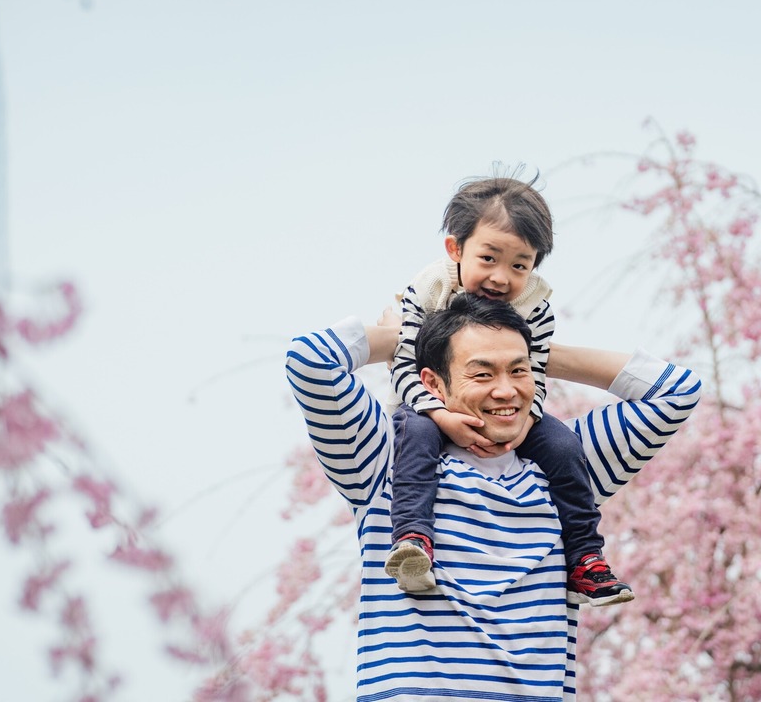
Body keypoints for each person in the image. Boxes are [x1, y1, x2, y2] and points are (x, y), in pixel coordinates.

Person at [286, 293, 700, 701]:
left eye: (518, 372)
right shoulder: (385, 460)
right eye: (482, 374)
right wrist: (399, 337)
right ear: (433, 382)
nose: (506, 391)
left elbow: (678, 391)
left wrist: (537, 352)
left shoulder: (567, 467)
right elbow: (310, 361)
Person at [386, 174, 632, 605]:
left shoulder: (535, 308)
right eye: (488, 258)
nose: (501, 278)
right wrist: (440, 415)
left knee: (563, 446)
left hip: (506, 414)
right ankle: (412, 538)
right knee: (416, 438)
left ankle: (584, 557)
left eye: (519, 265)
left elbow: (532, 374)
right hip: (428, 403)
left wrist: (526, 424)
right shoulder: (428, 290)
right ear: (455, 249)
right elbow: (405, 366)